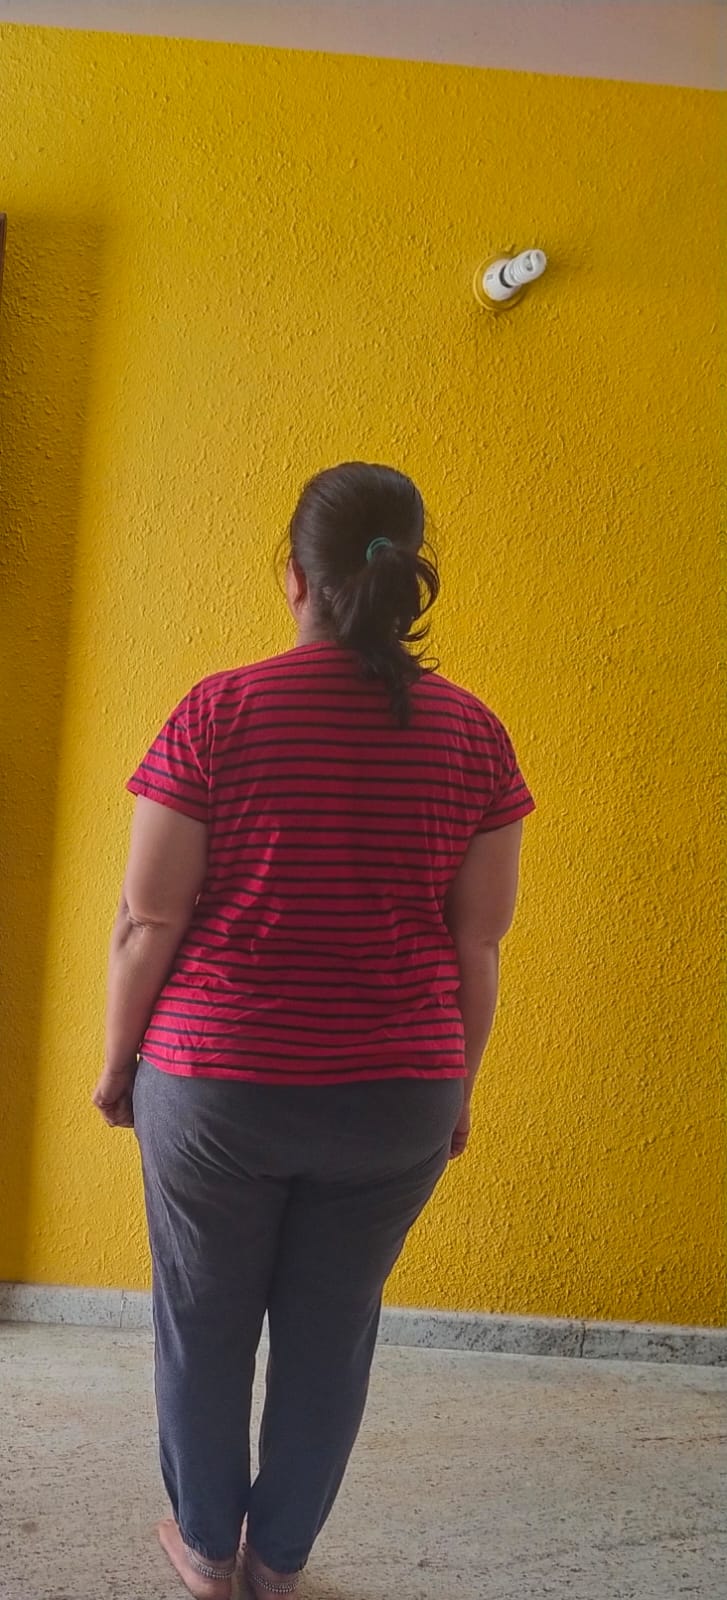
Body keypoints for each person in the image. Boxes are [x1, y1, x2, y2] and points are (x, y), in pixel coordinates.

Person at [93, 461, 534, 1600]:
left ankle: (206, 1548)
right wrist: (458, 1086)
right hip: (397, 1092)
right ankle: (277, 1562)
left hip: (217, 1082)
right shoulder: (476, 736)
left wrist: (116, 1061)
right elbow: (478, 943)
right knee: (331, 1333)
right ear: (409, 575)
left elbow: (148, 918)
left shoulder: (218, 711)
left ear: (294, 576)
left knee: (204, 1320)